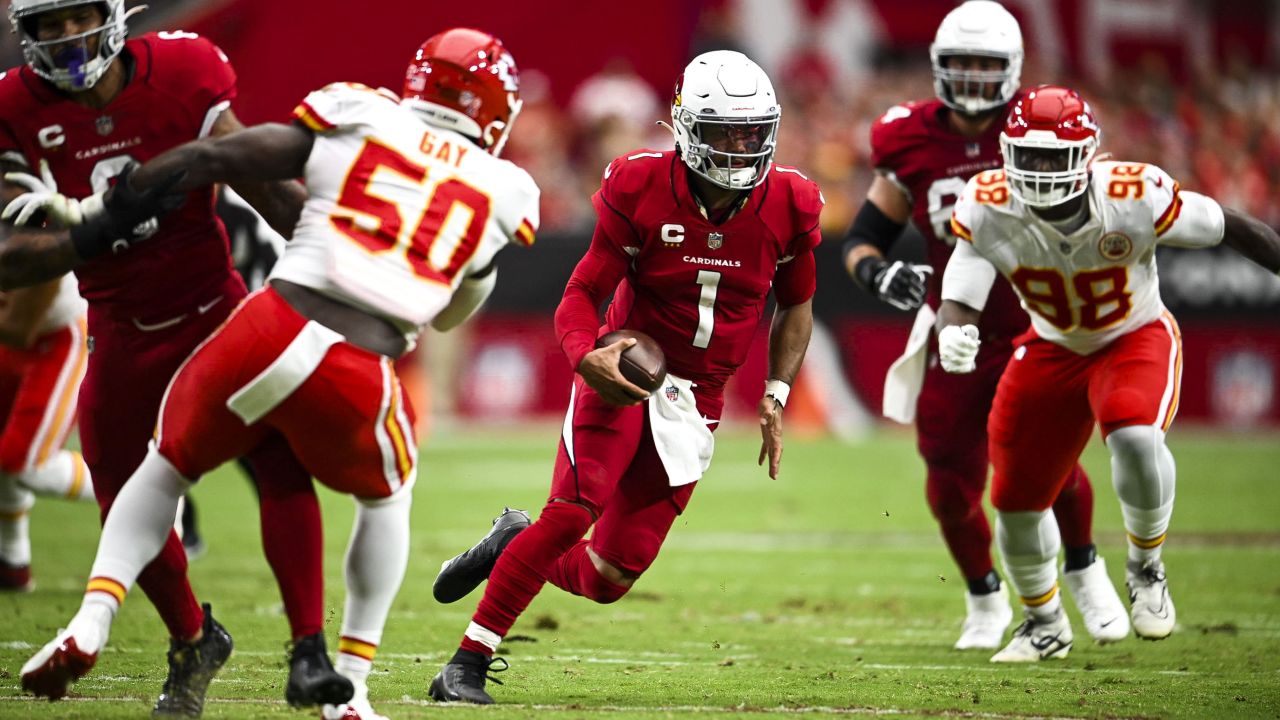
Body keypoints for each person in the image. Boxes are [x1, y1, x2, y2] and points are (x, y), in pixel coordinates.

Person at [17, 26, 538, 720]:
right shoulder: (507, 187)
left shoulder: (359, 110)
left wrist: (134, 186)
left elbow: (231, 155)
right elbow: (452, 311)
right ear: (495, 110)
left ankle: (93, 618)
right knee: (388, 496)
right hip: (356, 353)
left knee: (163, 467)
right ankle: (347, 689)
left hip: (263, 323)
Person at [428, 49, 821, 705]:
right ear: (687, 127)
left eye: (752, 132)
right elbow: (580, 291)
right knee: (572, 509)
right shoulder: (639, 184)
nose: (740, 146)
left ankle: (510, 544)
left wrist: (777, 393)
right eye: (724, 131)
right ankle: (465, 663)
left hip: (697, 397)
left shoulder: (791, 200)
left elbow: (797, 305)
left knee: (609, 576)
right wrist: (588, 355)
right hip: (624, 368)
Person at [0, 0, 339, 714]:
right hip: (119, 331)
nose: (66, 38)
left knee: (275, 459)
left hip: (215, 316)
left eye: (77, 17)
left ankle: (309, 649)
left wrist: (341, 267)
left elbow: (269, 187)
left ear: (113, 13)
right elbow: (8, 258)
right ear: (24, 35)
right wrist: (87, 237)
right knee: (121, 498)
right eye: (47, 25)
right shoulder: (14, 107)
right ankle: (193, 639)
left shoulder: (183, 69)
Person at [938, 85, 1280, 661]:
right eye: (1030, 155)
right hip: (1050, 346)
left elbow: (1233, 227)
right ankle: (1044, 622)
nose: (1041, 170)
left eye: (1054, 156)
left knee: (1135, 434)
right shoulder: (988, 203)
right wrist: (953, 329)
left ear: (1088, 154)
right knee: (1015, 503)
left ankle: (1146, 566)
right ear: (1006, 152)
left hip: (1133, 335)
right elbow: (963, 285)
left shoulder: (1134, 194)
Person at [841, 0, 1123, 650]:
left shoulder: (1041, 124)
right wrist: (878, 275)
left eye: (985, 63)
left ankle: (1084, 568)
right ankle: (984, 597)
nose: (971, 76)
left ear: (1015, 69)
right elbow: (865, 237)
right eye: (960, 62)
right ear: (937, 66)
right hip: (956, 331)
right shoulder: (907, 136)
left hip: (1036, 324)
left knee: (1042, 464)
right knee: (945, 471)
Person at [0, 273, 95, 592]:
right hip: (14, 334)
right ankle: (11, 560)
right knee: (5, 445)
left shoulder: (34, 230)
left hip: (54, 337)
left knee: (26, 463)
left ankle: (142, 487)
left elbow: (18, 329)